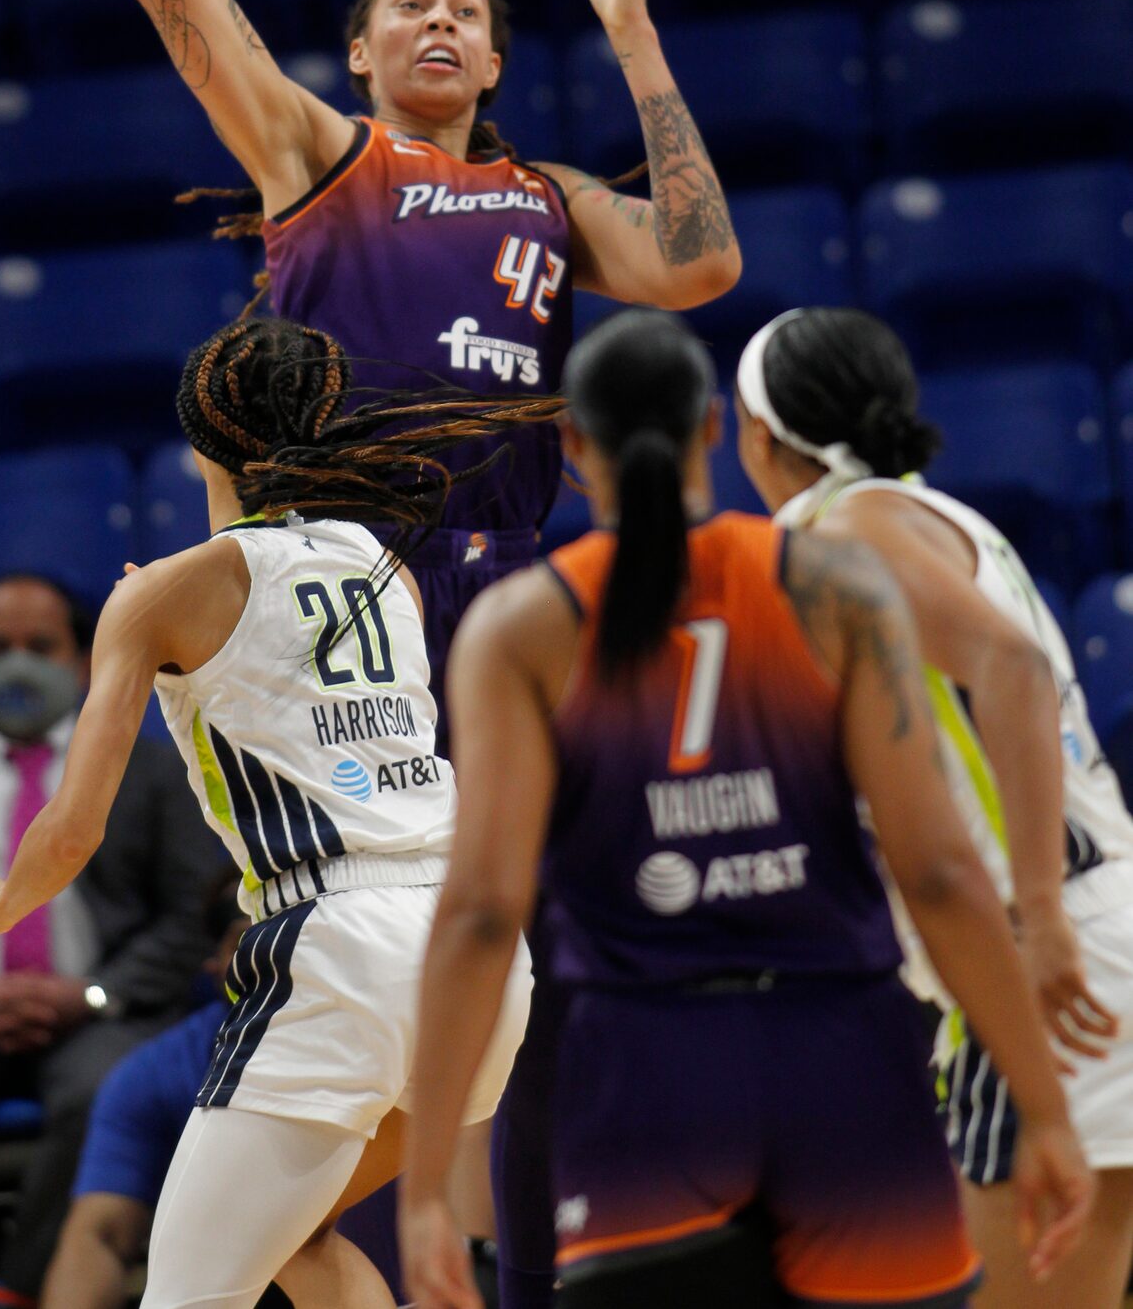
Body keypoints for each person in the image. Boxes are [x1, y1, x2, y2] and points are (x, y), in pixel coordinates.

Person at [45, 0, 742, 1306]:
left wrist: (638, 41)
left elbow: (699, 259)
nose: (439, 16)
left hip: (483, 652)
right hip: (322, 668)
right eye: (404, 4)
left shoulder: (545, 187)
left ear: (496, 67)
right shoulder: (312, 161)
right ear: (352, 56)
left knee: (392, 1160)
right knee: (312, 1150)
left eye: (468, 11)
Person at [399, 309, 1092, 1309]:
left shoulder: (522, 627)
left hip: (644, 1080)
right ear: (715, 430)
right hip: (844, 1061)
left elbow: (477, 915)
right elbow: (938, 874)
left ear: (576, 447)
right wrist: (1044, 1109)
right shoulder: (836, 588)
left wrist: (427, 1190)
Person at [0, 315, 543, 1309]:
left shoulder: (163, 597)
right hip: (475, 945)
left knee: (187, 1297)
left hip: (341, 947)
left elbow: (75, 829)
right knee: (301, 1245)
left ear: (200, 438)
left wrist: (3, 902)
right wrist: (156, 619)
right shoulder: (387, 573)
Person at [732, 306, 1133, 1309]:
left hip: (1055, 956)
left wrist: (1037, 916)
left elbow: (1014, 669)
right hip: (1091, 937)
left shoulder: (852, 526)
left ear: (761, 436)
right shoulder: (930, 520)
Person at [0, 572, 218, 1309]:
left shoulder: (149, 774)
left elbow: (190, 918)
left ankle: (5, 1292)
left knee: (104, 1095)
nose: (17, 662)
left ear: (84, 661)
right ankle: (8, 1284)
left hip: (102, 1013)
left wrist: (92, 994)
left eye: (40, 645)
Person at [41, 871, 401, 1309]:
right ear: (214, 961)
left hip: (424, 1271)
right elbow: (100, 1233)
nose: (276, 950)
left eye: (294, 932)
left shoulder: (389, 1031)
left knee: (295, 1228)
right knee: (289, 1231)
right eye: (247, 938)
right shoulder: (154, 1073)